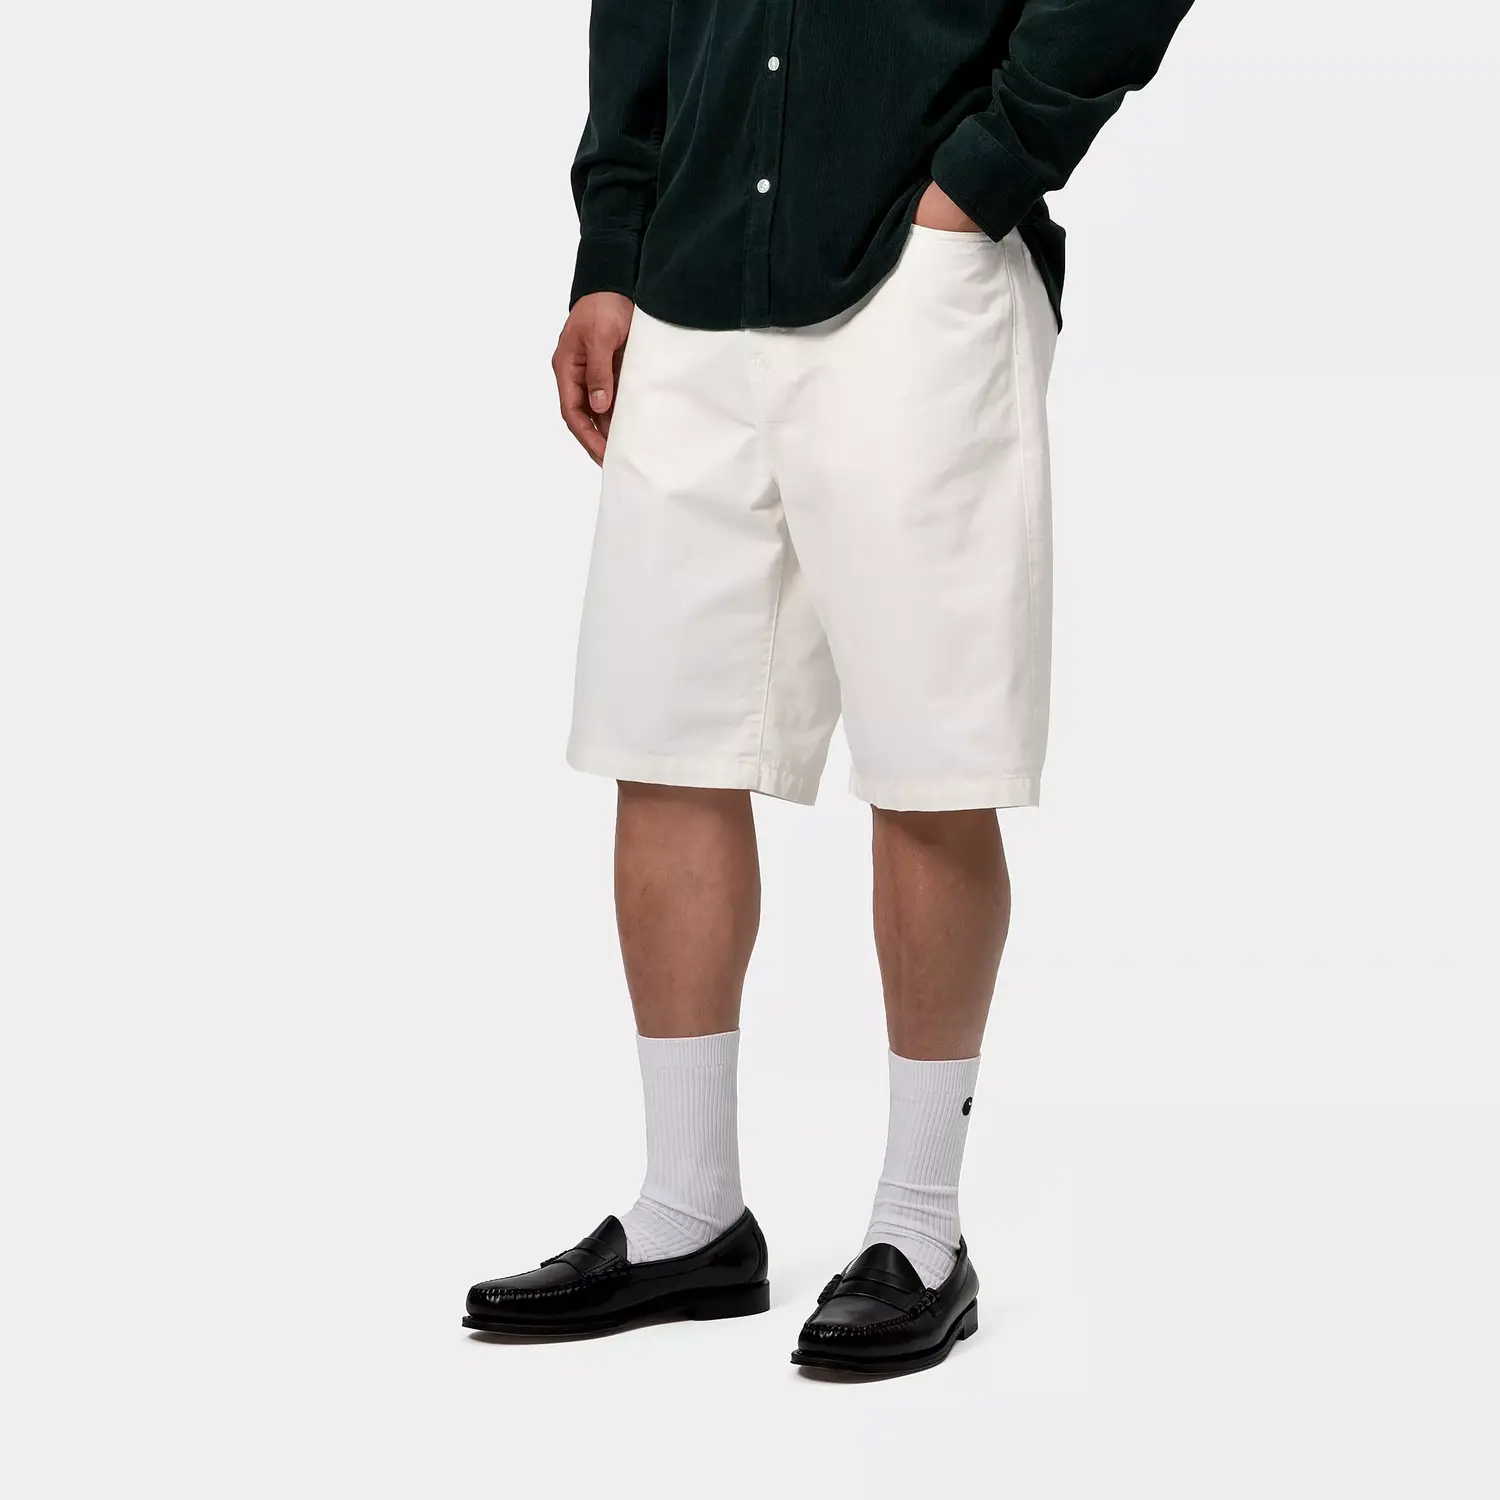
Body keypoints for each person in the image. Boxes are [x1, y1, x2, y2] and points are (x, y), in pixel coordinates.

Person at [464, 0, 1196, 1376]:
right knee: (663, 737)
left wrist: (983, 178)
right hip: (688, 273)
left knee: (931, 755)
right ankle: (688, 1212)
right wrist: (610, 251)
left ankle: (919, 1230)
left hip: (915, 271)